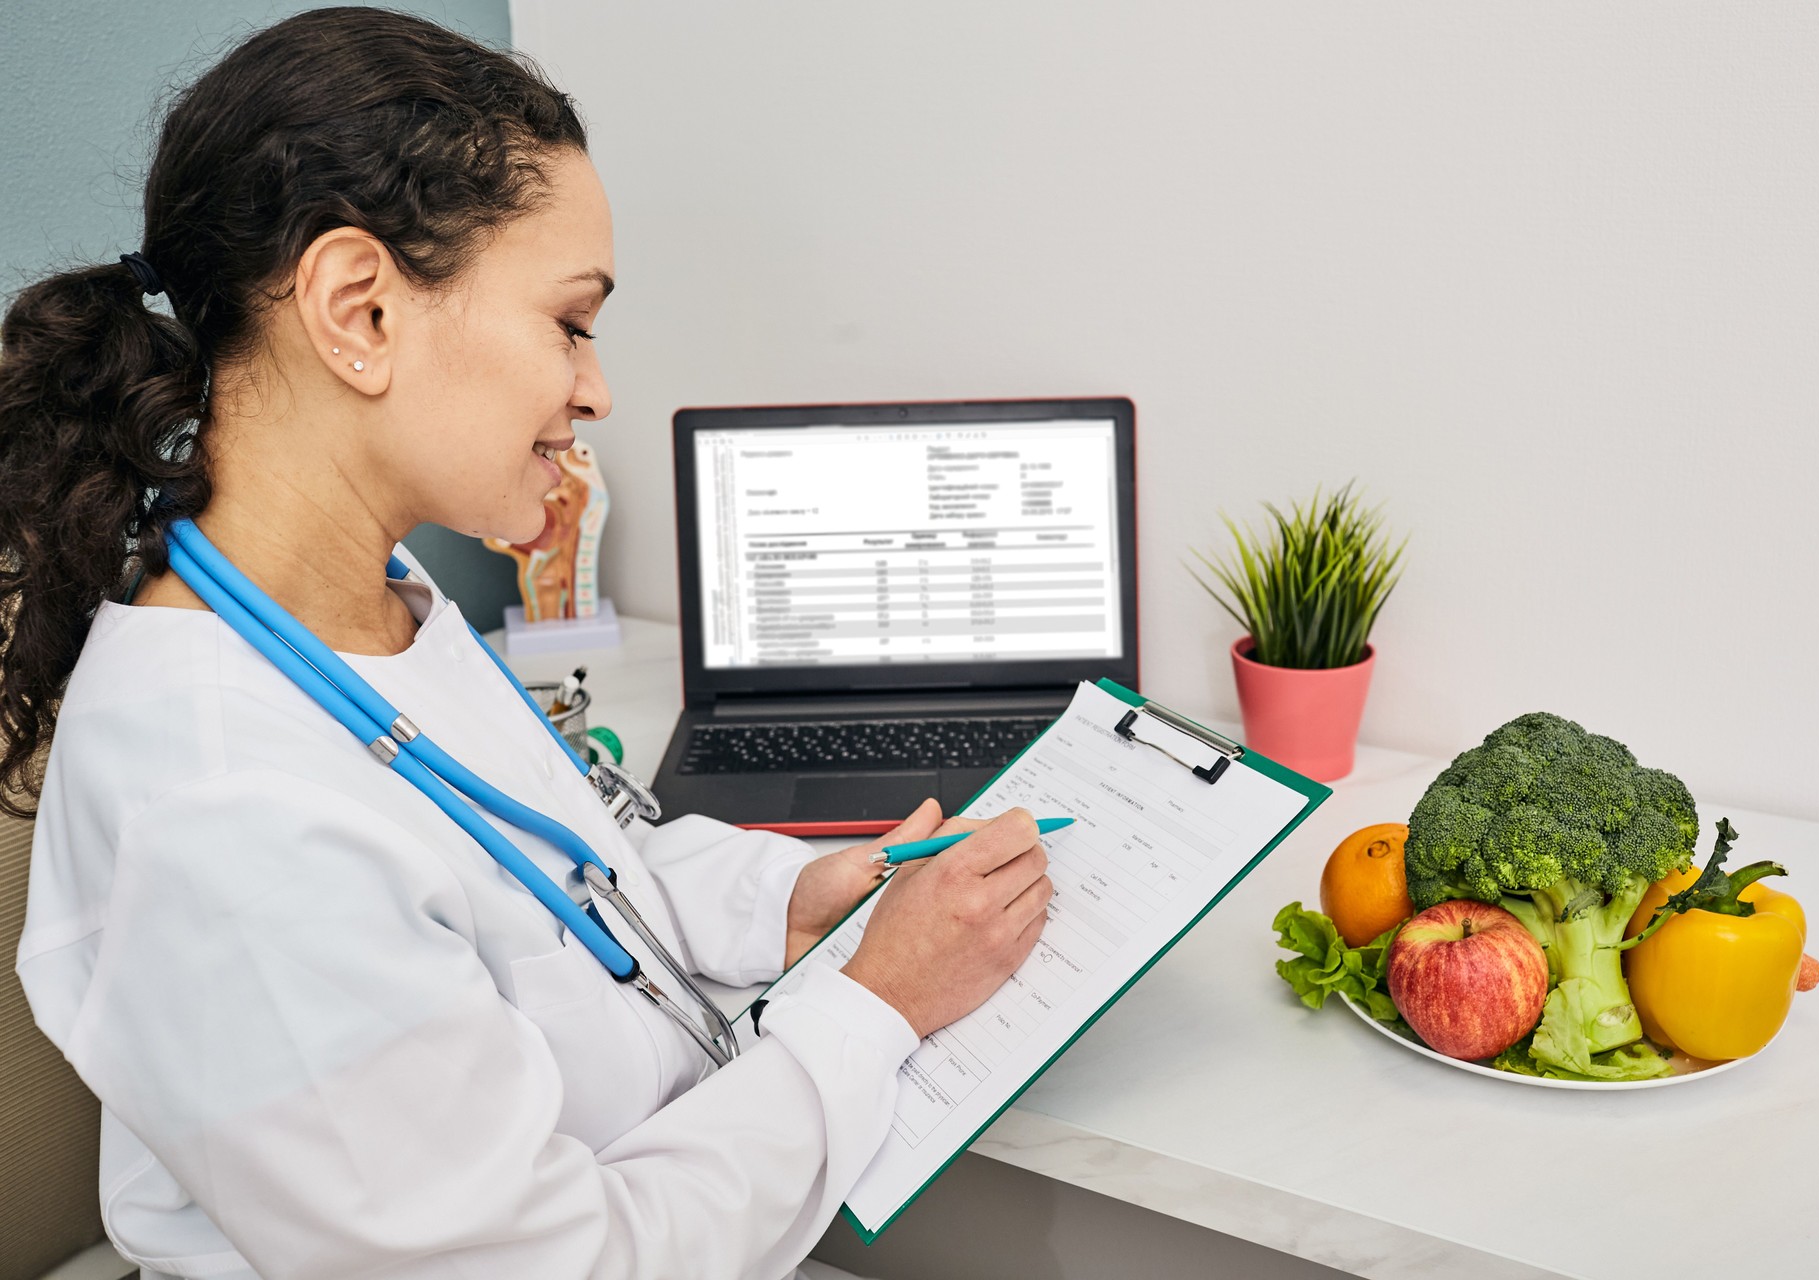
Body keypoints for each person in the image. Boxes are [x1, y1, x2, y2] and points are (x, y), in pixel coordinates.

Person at [0, 9, 1051, 1279]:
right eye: (570, 321)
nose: (596, 387)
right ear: (360, 311)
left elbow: (572, 871)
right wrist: (877, 1004)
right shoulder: (227, 811)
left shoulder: (369, 614)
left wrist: (788, 901)